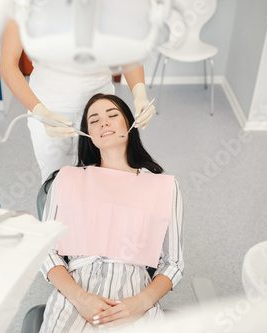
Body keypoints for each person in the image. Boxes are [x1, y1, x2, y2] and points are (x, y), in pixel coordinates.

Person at [38, 93, 183, 331]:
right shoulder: (67, 179)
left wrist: (140, 303)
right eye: (93, 121)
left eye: (113, 115)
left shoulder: (163, 187)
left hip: (134, 295)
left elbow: (173, 262)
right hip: (75, 296)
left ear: (130, 124)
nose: (103, 122)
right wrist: (79, 298)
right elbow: (46, 251)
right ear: (89, 135)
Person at [0, 18, 157, 182]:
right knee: (55, 184)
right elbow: (8, 65)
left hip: (99, 109)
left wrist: (139, 94)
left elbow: (127, 50)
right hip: (49, 109)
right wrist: (40, 112)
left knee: (104, 181)